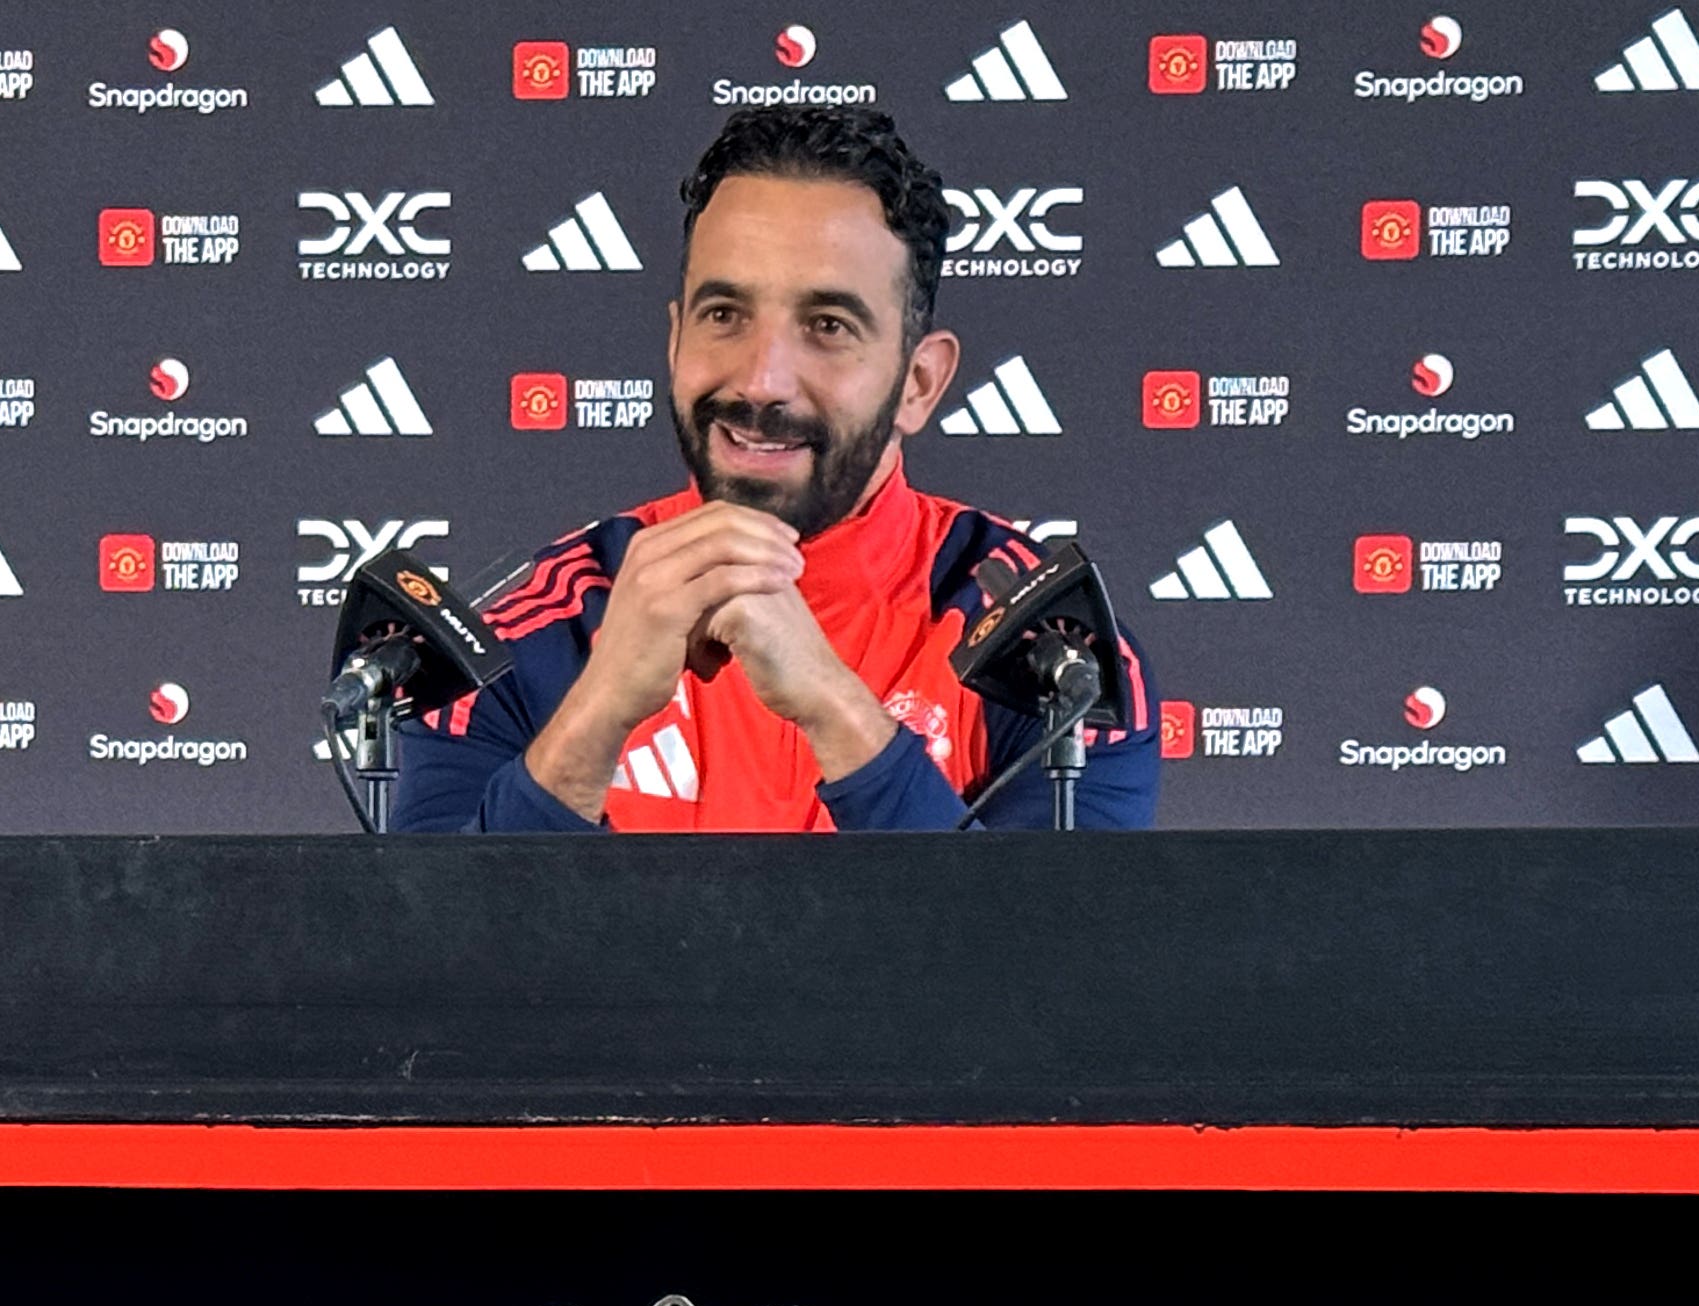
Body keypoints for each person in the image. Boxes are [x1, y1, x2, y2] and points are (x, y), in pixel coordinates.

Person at [392, 107, 1160, 832]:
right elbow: (425, 958)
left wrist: (837, 711)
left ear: (920, 383)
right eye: (724, 315)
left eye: (828, 326)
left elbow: (1052, 962)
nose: (761, 380)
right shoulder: (516, 637)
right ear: (674, 343)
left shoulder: (1058, 661)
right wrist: (594, 719)